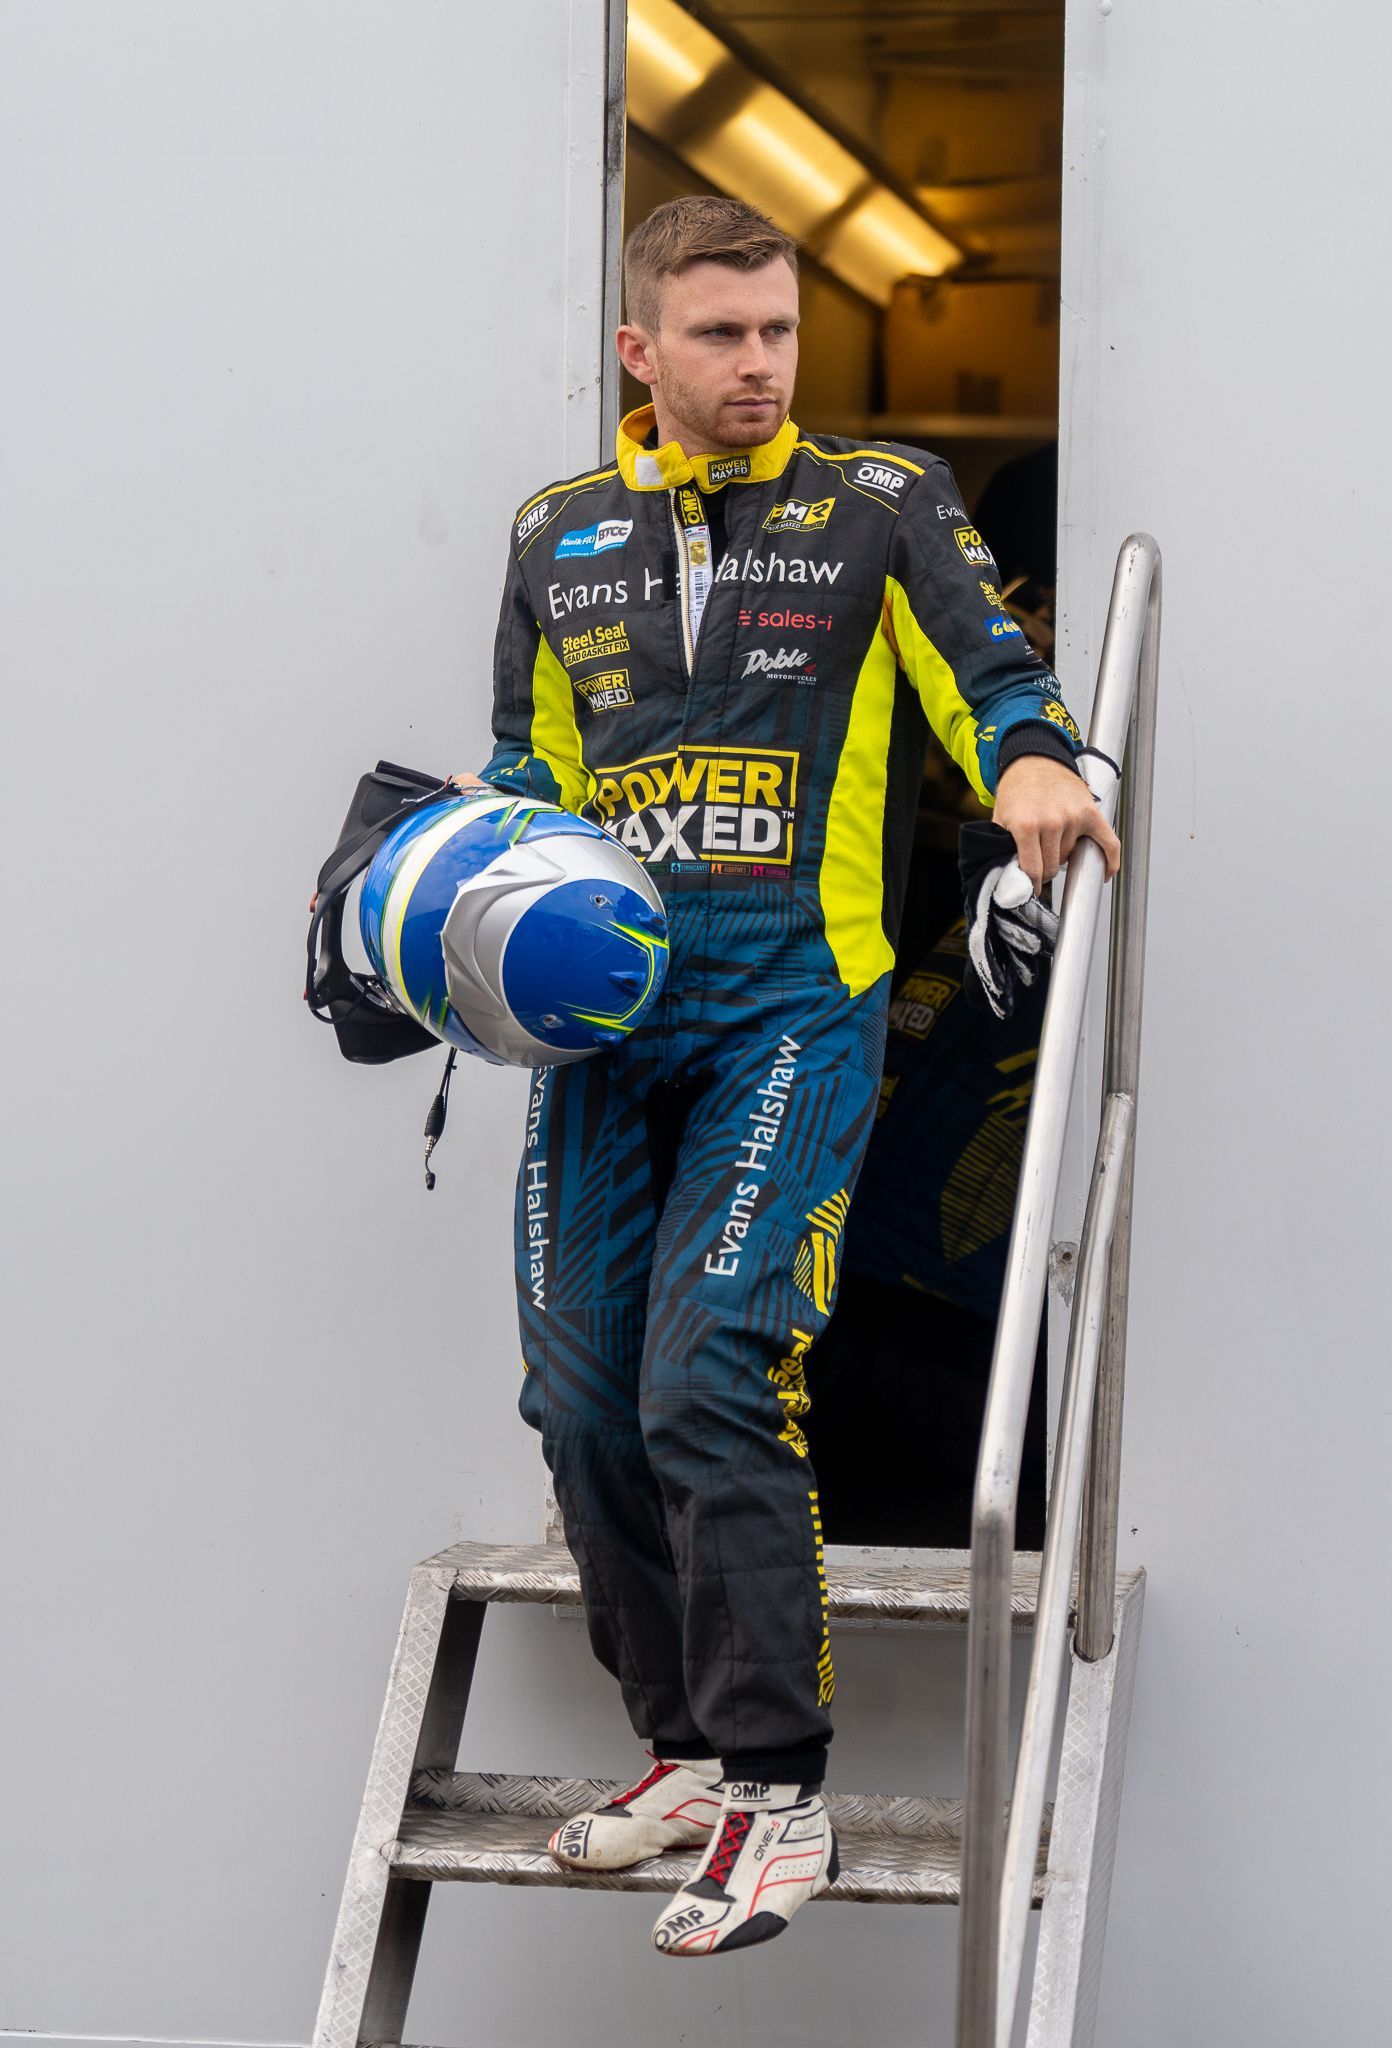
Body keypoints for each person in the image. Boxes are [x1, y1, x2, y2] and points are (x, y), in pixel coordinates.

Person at [455, 194, 1119, 1957]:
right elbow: (520, 770)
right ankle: (674, 1750)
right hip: (605, 1037)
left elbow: (995, 679)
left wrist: (1038, 770)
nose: (760, 366)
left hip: (786, 1020)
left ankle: (778, 1795)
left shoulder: (881, 504)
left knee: (710, 1372)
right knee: (581, 1400)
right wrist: (420, 908)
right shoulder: (554, 535)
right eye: (723, 336)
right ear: (640, 351)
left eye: (780, 334)